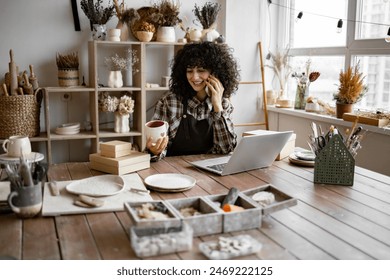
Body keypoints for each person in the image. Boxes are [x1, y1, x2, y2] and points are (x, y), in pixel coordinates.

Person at [146, 41, 241, 160]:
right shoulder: (169, 102)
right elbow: (157, 149)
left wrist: (217, 106)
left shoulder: (223, 104)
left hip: (209, 171)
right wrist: (155, 151)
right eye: (189, 71)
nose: (194, 77)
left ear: (215, 73)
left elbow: (226, 149)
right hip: (175, 170)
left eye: (201, 70)